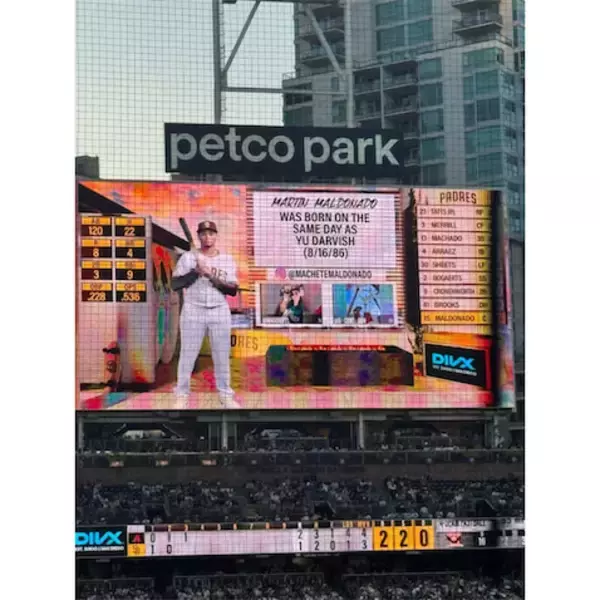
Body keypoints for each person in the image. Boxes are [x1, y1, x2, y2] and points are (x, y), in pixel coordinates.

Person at [171, 221, 240, 408]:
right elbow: (175, 284)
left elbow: (233, 290)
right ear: (199, 236)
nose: (207, 237)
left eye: (211, 233)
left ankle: (225, 395)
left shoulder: (226, 259)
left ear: (216, 236)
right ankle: (182, 395)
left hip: (219, 310)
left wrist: (210, 275)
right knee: (187, 355)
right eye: (203, 234)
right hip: (193, 310)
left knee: (221, 355)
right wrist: (195, 272)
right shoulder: (188, 258)